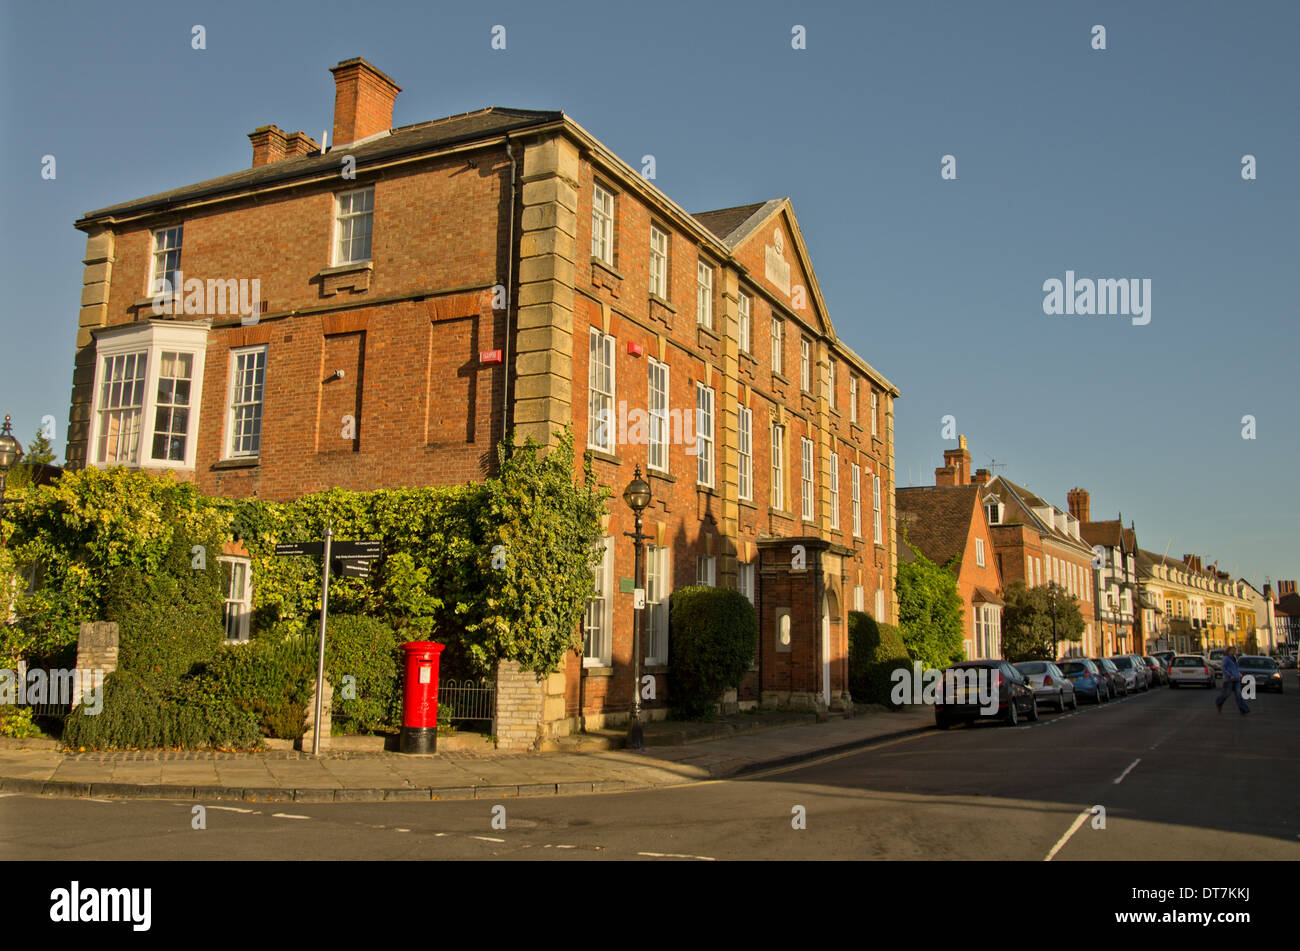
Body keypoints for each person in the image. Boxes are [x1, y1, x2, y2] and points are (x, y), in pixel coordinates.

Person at [1216, 645, 1249, 715]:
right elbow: (1223, 668)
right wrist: (1229, 675)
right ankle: (1219, 703)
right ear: (1228, 651)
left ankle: (1243, 709)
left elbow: (1235, 668)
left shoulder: (1234, 658)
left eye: (1234, 650)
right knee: (1226, 694)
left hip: (1236, 679)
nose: (1234, 652)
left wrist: (1239, 674)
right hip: (1229, 680)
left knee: (1239, 695)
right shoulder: (1226, 659)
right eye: (1232, 650)